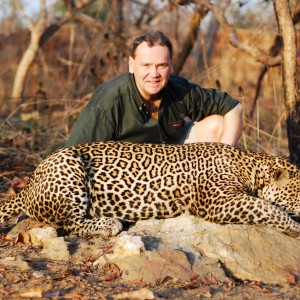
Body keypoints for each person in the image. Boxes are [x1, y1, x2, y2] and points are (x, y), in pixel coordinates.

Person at [66, 31, 243, 147]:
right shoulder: (109, 100)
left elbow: (234, 107)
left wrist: (225, 157)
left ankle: (202, 193)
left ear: (171, 66)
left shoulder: (180, 89)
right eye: (146, 65)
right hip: (127, 173)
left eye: (161, 65)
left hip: (173, 161)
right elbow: (71, 154)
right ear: (131, 65)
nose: (154, 73)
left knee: (217, 125)